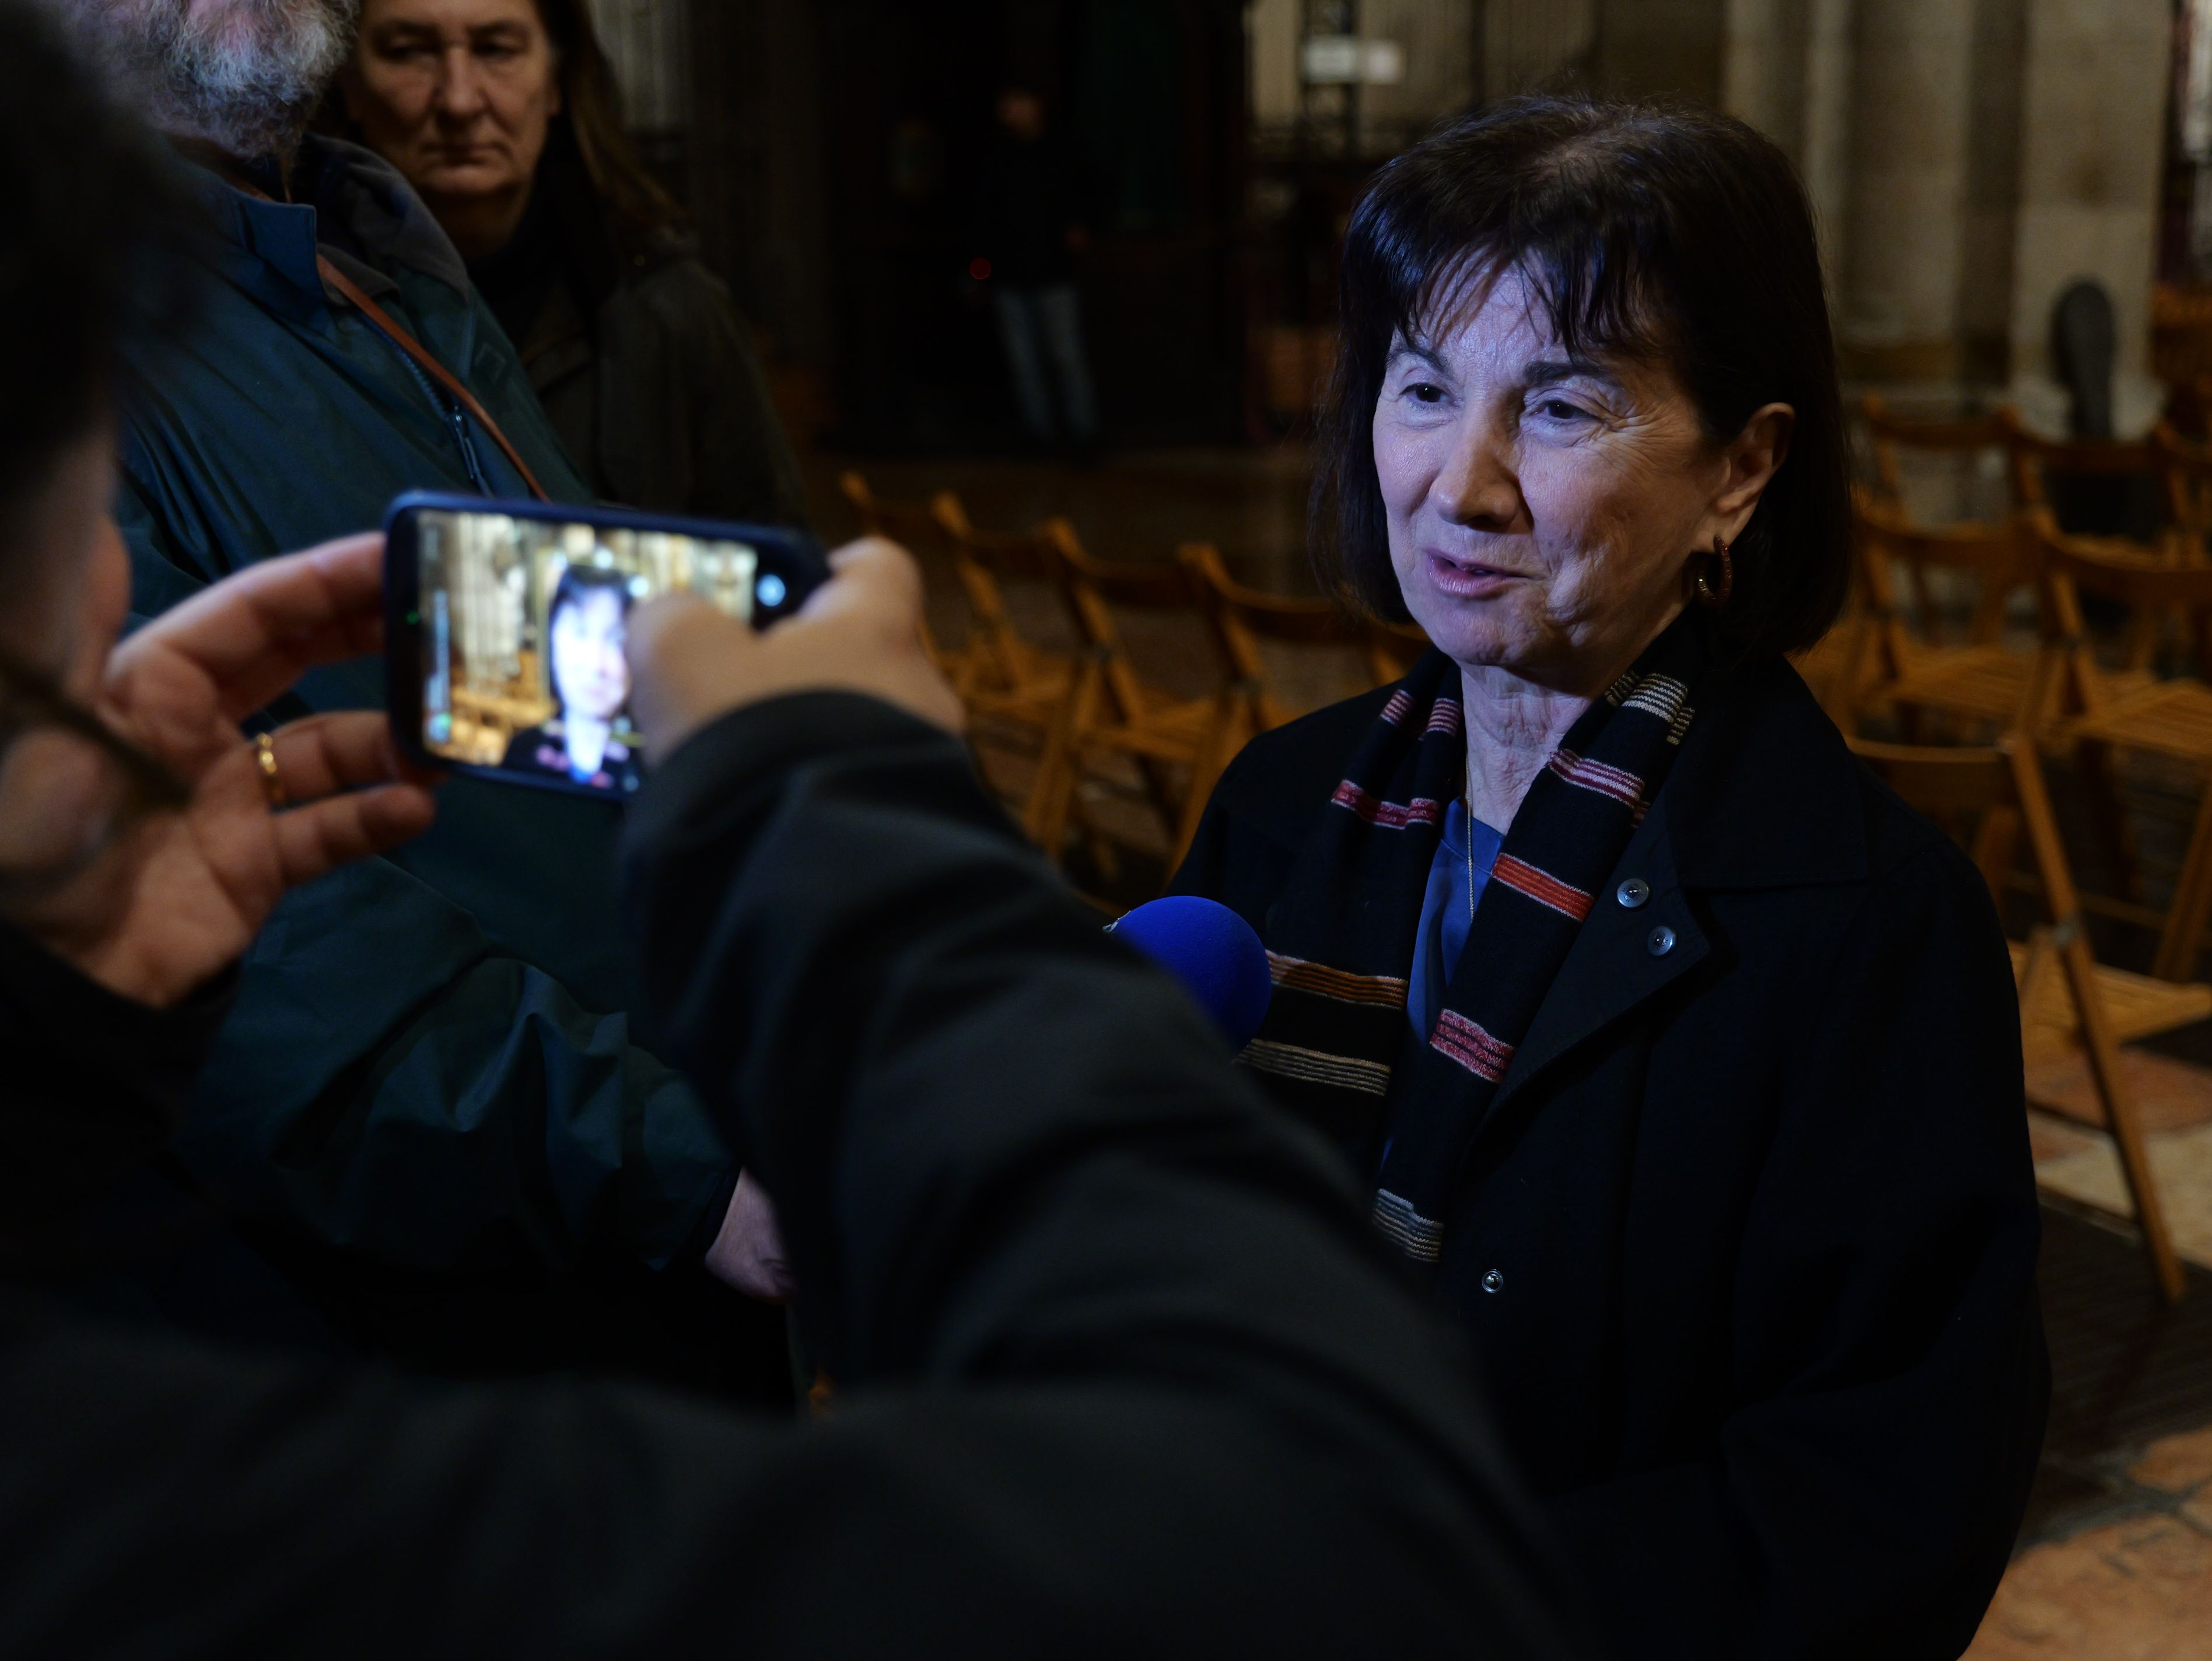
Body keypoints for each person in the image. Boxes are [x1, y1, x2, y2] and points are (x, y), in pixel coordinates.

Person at [0, 13, 1591, 1649]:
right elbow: (1343, 1517)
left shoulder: (365, 244)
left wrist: (83, 1025)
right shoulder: (175, 1494)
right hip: (448, 1285)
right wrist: (875, 878)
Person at [1171, 97, 2048, 1659]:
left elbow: (1877, 1503)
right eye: (1422, 388)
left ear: (1741, 469)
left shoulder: (1862, 922)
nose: (1462, 483)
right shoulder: (1284, 806)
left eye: (1561, 408)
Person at [66, 0, 789, 1381]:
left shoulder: (359, 251)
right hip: (389, 1336)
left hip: (632, 1231)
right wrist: (676, 1160)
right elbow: (227, 936)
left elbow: (563, 723)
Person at [337, 0, 811, 527]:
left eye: (496, 50)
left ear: (555, 80)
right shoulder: (299, 315)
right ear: (349, 81)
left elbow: (773, 554)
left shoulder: (671, 314)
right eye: (408, 52)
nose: (460, 100)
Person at [973, 86, 1101, 455]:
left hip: (1053, 272)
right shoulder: (997, 157)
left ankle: (1083, 434)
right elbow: (984, 219)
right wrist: (981, 273)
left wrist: (1080, 228)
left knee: (1066, 357)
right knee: (1023, 363)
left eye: (1016, 103)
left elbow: (1085, 198)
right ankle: (1039, 436)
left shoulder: (1061, 152)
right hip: (1010, 275)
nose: (1009, 112)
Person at [502, 563, 644, 793]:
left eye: (615, 639)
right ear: (552, 640)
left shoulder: (655, 769)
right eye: (580, 632)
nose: (596, 664)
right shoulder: (522, 755)